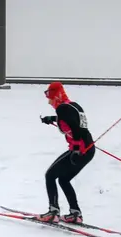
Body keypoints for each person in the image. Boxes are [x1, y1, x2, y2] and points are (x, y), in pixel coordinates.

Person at [38, 81, 96, 224]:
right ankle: (75, 214)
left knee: (50, 175)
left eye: (50, 99)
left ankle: (53, 212)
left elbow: (76, 128)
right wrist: (51, 119)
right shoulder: (73, 105)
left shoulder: (62, 109)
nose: (49, 102)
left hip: (80, 150)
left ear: (56, 96)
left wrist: (76, 150)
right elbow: (71, 120)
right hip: (88, 149)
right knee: (63, 180)